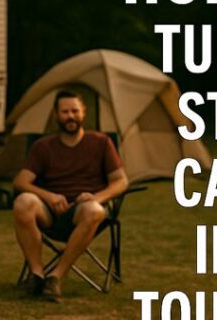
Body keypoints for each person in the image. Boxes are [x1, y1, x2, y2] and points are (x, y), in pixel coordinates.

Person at [12, 90, 129, 302]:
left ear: (83, 112)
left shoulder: (101, 143)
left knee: (94, 210)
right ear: (56, 114)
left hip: (83, 212)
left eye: (75, 111)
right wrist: (48, 196)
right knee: (23, 202)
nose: (70, 116)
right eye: (65, 111)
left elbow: (121, 181)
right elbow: (21, 181)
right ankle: (37, 274)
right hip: (49, 212)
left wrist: (97, 198)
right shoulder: (43, 146)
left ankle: (56, 277)